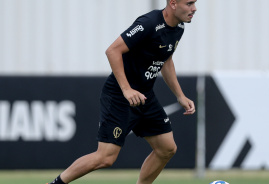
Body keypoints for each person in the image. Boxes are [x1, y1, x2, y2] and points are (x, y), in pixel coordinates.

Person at [47, 0, 197, 183]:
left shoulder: (179, 27)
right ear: (173, 3)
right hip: (119, 95)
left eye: (195, 3)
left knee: (167, 148)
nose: (194, 8)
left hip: (144, 96)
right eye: (189, 3)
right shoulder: (148, 23)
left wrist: (180, 96)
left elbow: (166, 60)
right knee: (105, 157)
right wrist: (126, 89)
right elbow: (112, 51)